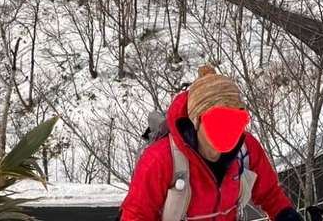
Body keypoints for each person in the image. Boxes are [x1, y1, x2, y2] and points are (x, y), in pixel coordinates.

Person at [120, 66, 303, 221]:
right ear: (196, 120)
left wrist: (287, 216)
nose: (228, 130)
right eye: (218, 121)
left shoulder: (246, 150)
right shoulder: (161, 159)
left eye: (236, 120)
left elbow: (270, 194)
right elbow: (136, 214)